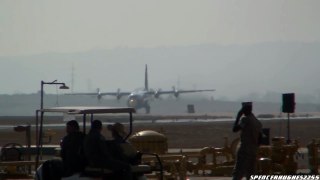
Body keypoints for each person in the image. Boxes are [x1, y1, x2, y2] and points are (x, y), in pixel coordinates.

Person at [232, 102, 262, 180]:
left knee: (238, 173)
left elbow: (235, 129)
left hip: (244, 150)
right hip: (253, 151)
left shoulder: (245, 120)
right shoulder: (257, 122)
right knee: (251, 174)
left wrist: (238, 116)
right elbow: (260, 138)